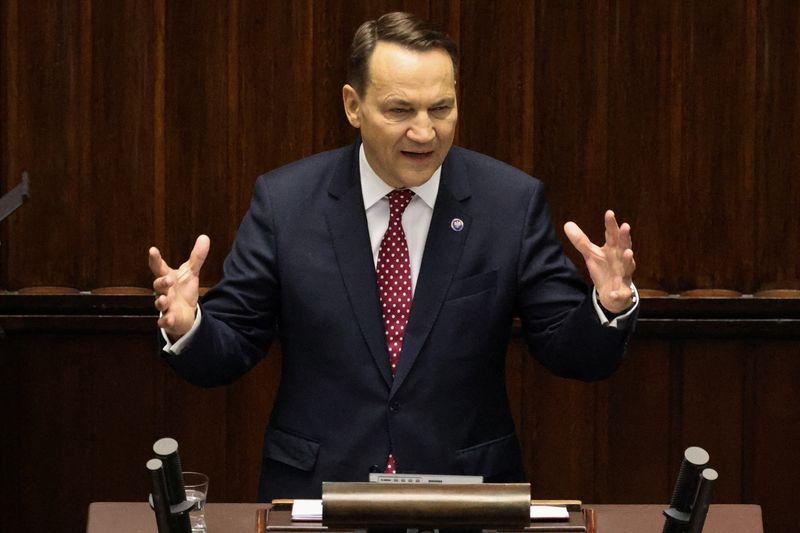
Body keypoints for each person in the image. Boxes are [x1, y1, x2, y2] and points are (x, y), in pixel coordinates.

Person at [148, 12, 638, 501]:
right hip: (318, 494)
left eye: (441, 109)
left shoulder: (509, 203)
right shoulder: (287, 203)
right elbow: (231, 345)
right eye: (401, 110)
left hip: (464, 496)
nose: (424, 133)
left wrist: (608, 308)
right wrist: (188, 325)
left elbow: (570, 352)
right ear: (353, 105)